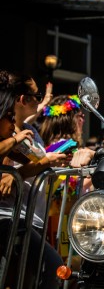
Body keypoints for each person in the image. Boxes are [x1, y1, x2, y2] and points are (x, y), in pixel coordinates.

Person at [0, 70, 63, 289]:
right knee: (52, 264)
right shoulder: (12, 132)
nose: (11, 121)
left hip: (26, 220)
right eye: (35, 97)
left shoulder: (22, 131)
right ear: (21, 99)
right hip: (8, 219)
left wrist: (47, 160)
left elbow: (32, 159)